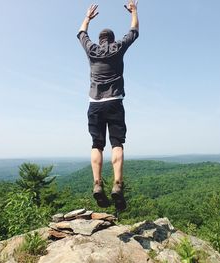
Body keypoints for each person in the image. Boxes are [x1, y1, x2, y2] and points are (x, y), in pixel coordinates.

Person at [77, 1, 139, 211]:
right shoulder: (118, 48)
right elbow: (134, 31)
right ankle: (118, 186)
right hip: (114, 102)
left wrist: (87, 17)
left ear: (99, 39)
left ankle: (97, 184)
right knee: (117, 144)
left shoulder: (92, 50)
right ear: (112, 40)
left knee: (97, 145)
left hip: (94, 103)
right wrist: (133, 11)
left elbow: (81, 33)